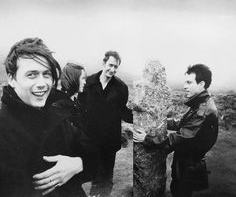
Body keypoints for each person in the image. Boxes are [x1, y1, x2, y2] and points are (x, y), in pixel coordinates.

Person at [0, 38, 92, 197]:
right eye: (32, 75)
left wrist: (79, 163)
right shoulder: (4, 129)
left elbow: (92, 152)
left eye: (46, 74)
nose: (42, 83)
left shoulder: (57, 116)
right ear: (11, 78)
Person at [133, 64, 218, 197]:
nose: (184, 86)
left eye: (189, 82)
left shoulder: (203, 110)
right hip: (185, 161)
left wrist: (146, 139)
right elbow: (181, 123)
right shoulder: (200, 103)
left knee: (181, 192)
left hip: (189, 165)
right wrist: (160, 122)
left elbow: (178, 138)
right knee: (177, 189)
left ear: (201, 84)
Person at [80, 51, 133, 197]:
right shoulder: (88, 83)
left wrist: (140, 117)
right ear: (103, 63)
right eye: (110, 65)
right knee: (88, 175)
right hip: (89, 140)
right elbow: (79, 109)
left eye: (116, 67)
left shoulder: (121, 87)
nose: (113, 69)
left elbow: (123, 111)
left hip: (109, 142)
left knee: (105, 180)